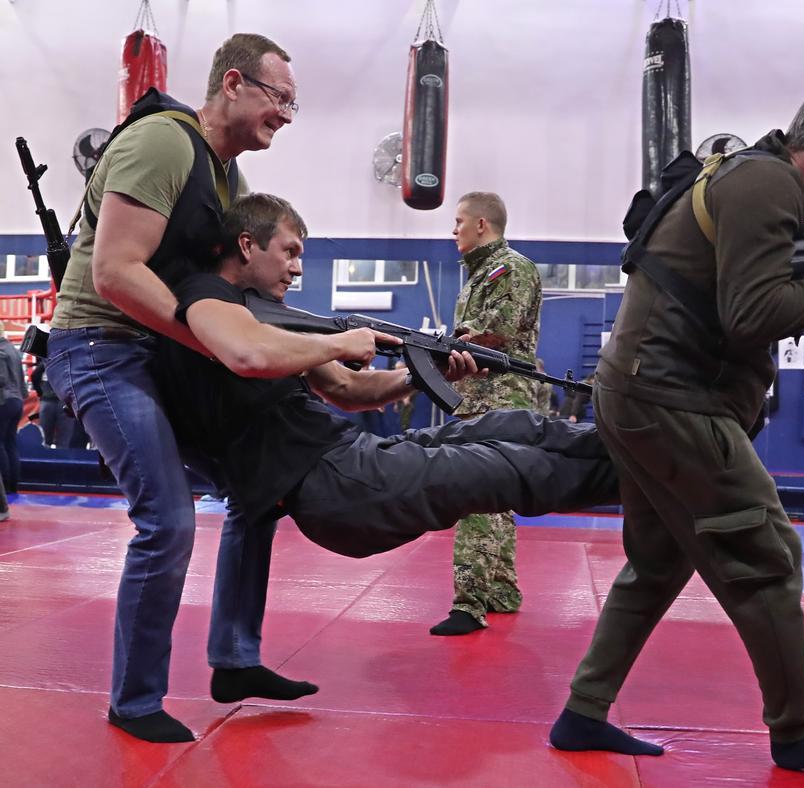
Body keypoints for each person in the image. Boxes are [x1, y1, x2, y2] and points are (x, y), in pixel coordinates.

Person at [549, 74, 804, 772]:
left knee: (658, 563)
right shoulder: (765, 185)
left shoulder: (754, 180)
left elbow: (739, 303)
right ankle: (796, 727)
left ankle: (584, 711)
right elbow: (752, 314)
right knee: (767, 557)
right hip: (670, 399)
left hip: (645, 393)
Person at [43, 33, 301, 743]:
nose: (286, 114)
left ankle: (234, 657)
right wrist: (213, 343)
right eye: (279, 97)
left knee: (260, 490)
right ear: (235, 85)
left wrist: (328, 358)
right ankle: (133, 701)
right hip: (98, 349)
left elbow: (223, 295)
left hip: (159, 352)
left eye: (292, 103)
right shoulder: (162, 144)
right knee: (169, 520)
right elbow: (116, 275)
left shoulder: (228, 180)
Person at [154, 193, 617, 564]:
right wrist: (340, 342)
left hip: (353, 458)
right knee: (505, 467)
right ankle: (654, 469)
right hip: (334, 486)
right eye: (289, 252)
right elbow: (247, 353)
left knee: (513, 427)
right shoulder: (208, 298)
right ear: (246, 245)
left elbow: (350, 390)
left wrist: (422, 373)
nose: (297, 268)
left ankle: (629, 445)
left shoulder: (272, 320)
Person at [430, 192, 543, 637]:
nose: (453, 229)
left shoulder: (510, 268)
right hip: (481, 401)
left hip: (500, 402)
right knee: (495, 500)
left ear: (481, 224)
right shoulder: (479, 275)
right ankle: (500, 590)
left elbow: (496, 330)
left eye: (458, 221)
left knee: (477, 497)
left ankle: (468, 605)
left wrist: (444, 346)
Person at [0, 331, 26, 500]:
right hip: (17, 399)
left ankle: (5, 485)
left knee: (0, 443)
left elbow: (1, 378)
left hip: (3, 400)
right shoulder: (12, 350)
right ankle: (13, 484)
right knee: (10, 442)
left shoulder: (0, 352)